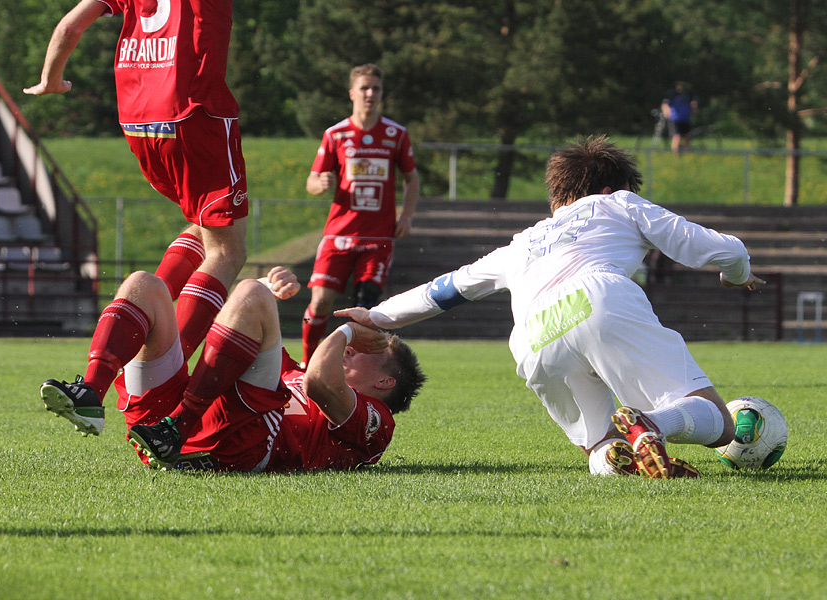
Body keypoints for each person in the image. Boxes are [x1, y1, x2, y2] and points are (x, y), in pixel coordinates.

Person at [337, 135, 765, 479]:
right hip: (598, 296)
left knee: (599, 444)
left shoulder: (520, 243)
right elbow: (719, 248)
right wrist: (739, 273)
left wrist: (375, 316)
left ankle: (620, 457)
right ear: (607, 188)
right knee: (720, 423)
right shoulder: (617, 202)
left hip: (531, 337)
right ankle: (652, 425)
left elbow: (446, 289)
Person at [24, 0, 249, 359]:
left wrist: (51, 79)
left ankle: (131, 329)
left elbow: (70, 27)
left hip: (137, 121)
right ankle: (168, 367)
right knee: (228, 250)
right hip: (194, 113)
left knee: (203, 228)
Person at [39, 265, 425, 472]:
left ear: (385, 380)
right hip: (161, 430)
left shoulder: (378, 419)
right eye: (355, 346)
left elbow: (320, 381)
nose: (350, 351)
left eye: (363, 351)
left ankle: (178, 427)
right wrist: (267, 286)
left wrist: (347, 329)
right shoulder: (296, 372)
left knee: (251, 295)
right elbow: (235, 326)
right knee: (145, 285)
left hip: (236, 446)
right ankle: (91, 391)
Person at [301, 63, 420, 368]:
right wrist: (321, 184)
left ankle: (355, 371)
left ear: (381, 94)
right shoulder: (336, 134)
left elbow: (411, 179)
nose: (370, 93)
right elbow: (313, 180)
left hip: (377, 237)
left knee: (366, 306)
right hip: (338, 234)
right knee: (320, 302)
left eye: (375, 88)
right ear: (352, 92)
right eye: (364, 88)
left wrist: (405, 215)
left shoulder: (396, 134)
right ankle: (307, 366)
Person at [661, 82, 698, 154]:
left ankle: (687, 153)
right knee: (676, 137)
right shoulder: (672, 94)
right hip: (675, 119)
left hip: (685, 118)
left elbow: (693, 104)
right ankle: (676, 155)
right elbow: (665, 105)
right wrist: (667, 112)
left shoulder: (688, 95)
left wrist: (693, 108)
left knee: (687, 136)